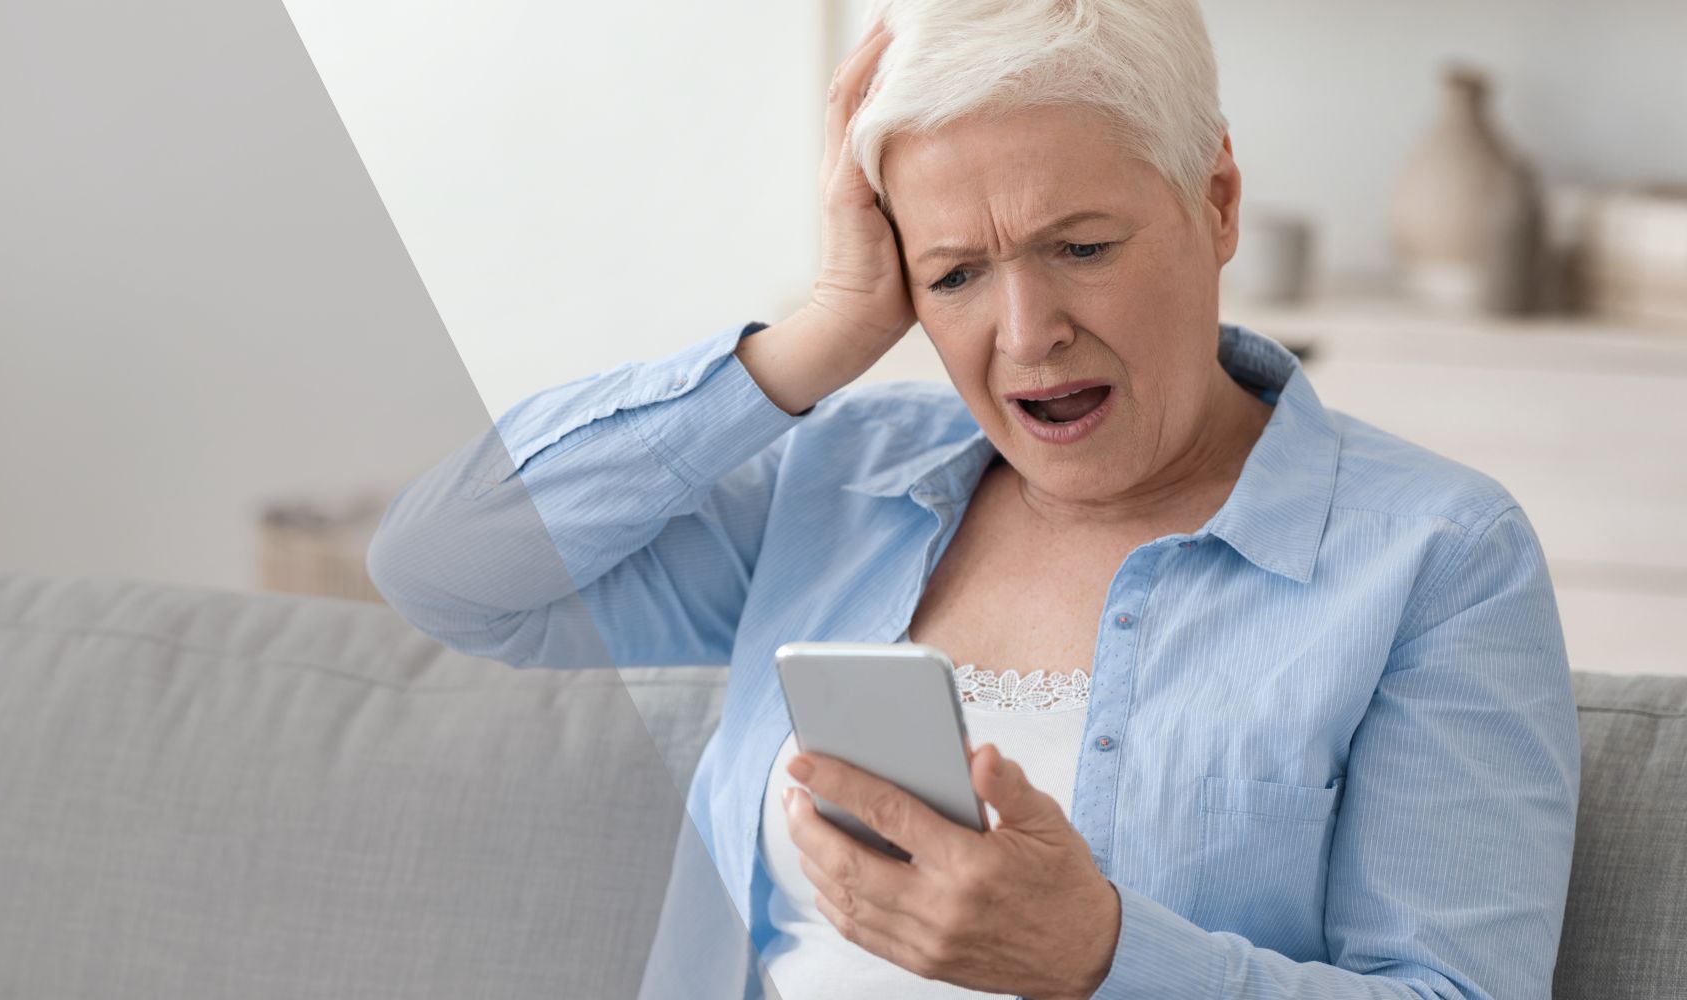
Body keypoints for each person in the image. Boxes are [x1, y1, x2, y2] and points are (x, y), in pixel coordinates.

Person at [365, 1, 1579, 997]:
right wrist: (820, 334)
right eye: (951, 273)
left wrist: (1099, 957)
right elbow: (448, 569)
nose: (1025, 334)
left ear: (1214, 202)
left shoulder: (1434, 554)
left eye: (1081, 246)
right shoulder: (834, 484)